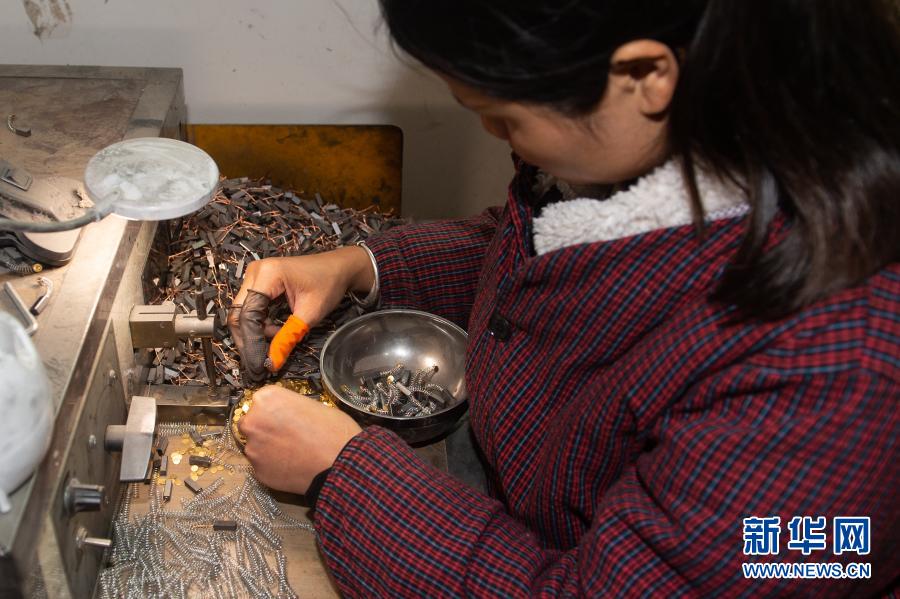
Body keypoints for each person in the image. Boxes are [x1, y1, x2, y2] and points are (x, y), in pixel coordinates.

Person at [228, 0, 900, 596]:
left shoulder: (840, 381)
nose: (495, 135)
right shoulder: (689, 130)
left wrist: (343, 478)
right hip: (508, 499)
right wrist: (363, 267)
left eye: (504, 117)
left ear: (646, 75)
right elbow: (546, 252)